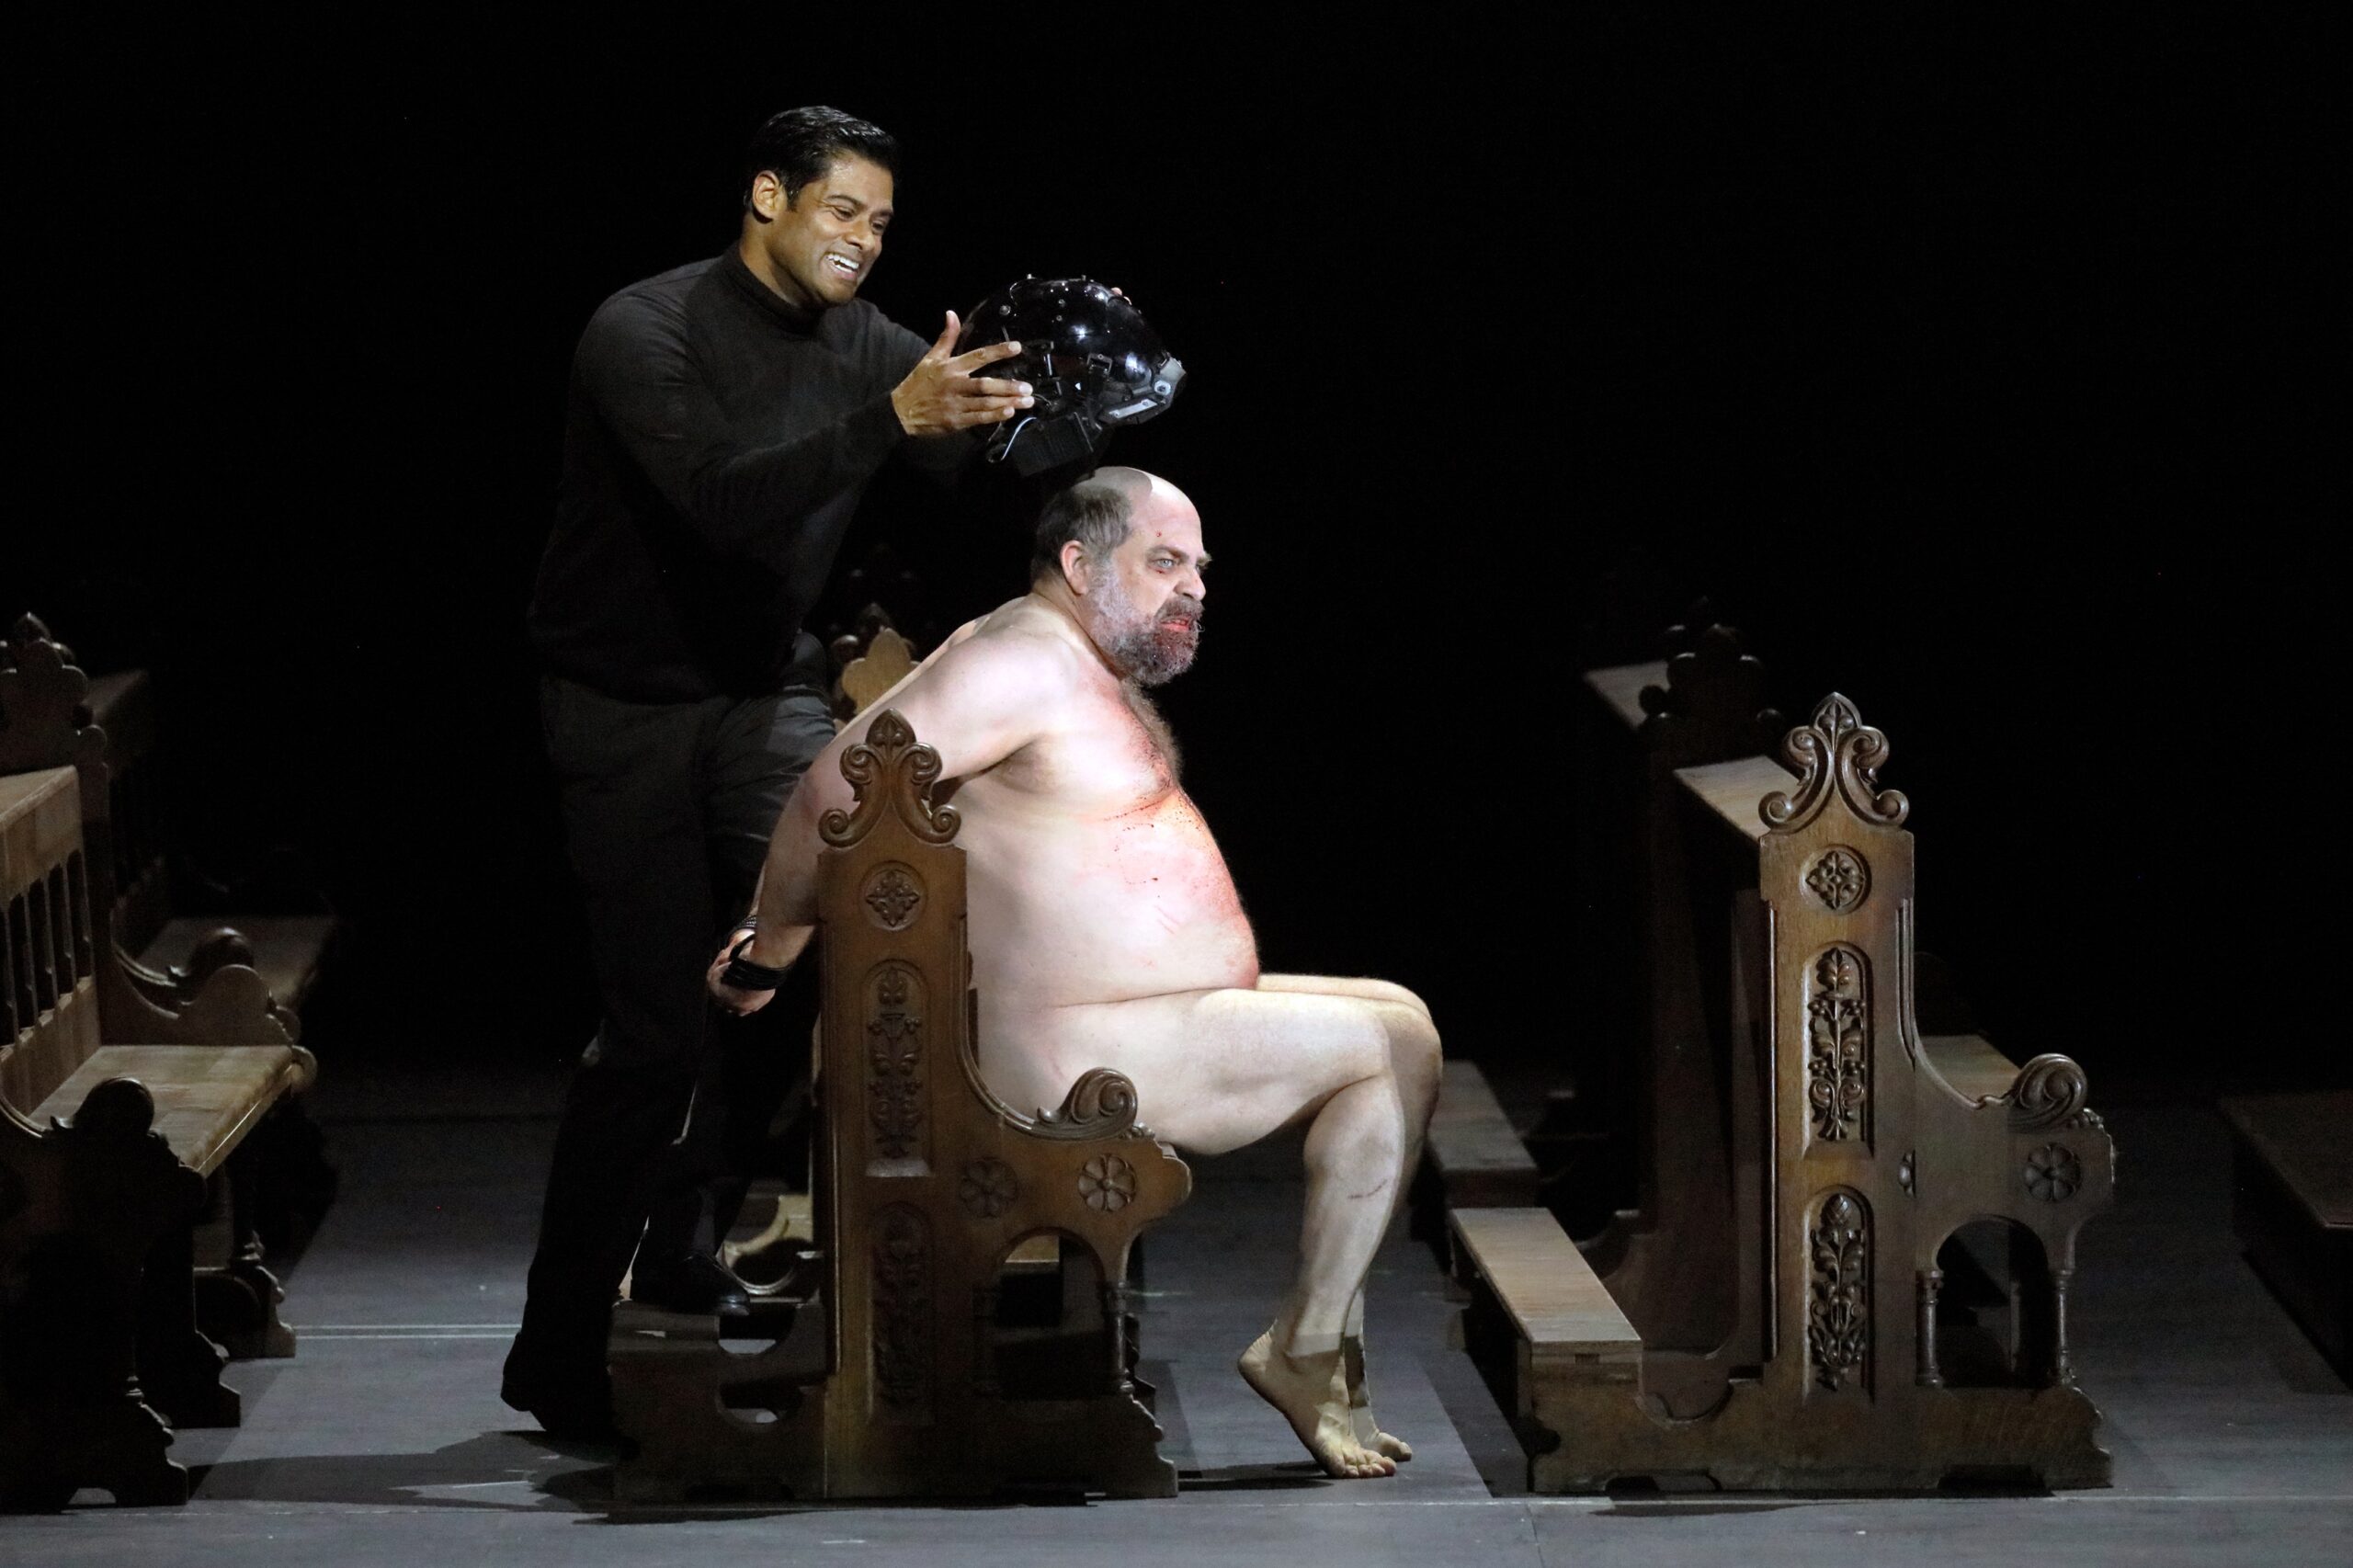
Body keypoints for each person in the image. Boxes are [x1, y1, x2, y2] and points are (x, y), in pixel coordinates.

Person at [710, 468, 1443, 1480]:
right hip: (1060, 1051)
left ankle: (1323, 1341)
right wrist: (772, 942)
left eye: (1199, 567)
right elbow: (836, 786)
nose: (1193, 587)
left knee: (1403, 1024)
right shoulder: (1022, 662)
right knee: (1376, 1047)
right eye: (1165, 562)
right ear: (1079, 564)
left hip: (1120, 1017)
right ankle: (1304, 1349)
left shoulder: (1061, 654)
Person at [506, 105, 1033, 1440]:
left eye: (881, 223)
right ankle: (555, 1346)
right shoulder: (647, 328)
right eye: (842, 210)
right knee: (654, 1031)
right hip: (621, 711)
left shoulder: (871, 344)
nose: (863, 240)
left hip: (763, 699)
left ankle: (691, 1245)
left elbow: (965, 456)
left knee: (835, 950)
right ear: (767, 197)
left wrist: (1024, 417)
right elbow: (720, 498)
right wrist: (892, 418)